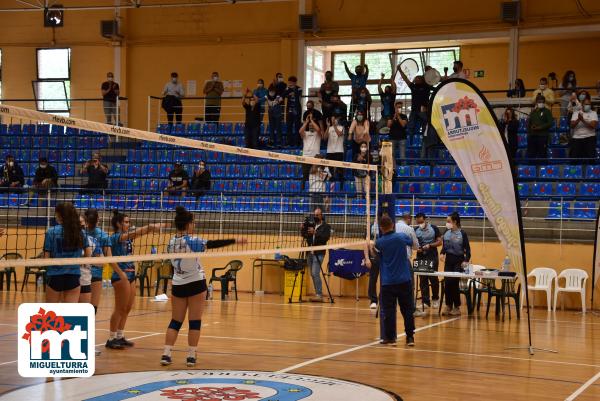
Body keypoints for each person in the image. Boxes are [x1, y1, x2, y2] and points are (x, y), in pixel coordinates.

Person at [161, 206, 244, 367]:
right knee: (195, 321)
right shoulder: (193, 241)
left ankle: (166, 354)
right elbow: (214, 244)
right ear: (188, 224)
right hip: (196, 283)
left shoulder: (170, 243)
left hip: (178, 283)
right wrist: (235, 240)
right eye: (193, 223)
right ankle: (191, 356)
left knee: (175, 321)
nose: (194, 225)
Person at [106, 211, 165, 350]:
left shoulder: (127, 238)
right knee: (119, 308)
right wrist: (150, 227)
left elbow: (135, 236)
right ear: (118, 224)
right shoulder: (116, 237)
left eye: (129, 222)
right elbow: (136, 234)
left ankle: (120, 336)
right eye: (126, 222)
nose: (128, 224)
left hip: (131, 274)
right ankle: (111, 338)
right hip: (121, 276)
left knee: (127, 308)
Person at [371, 214, 415, 346]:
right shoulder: (401, 237)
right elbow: (411, 242)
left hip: (388, 282)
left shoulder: (379, 242)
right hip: (404, 280)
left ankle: (390, 339)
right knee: (407, 310)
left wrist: (371, 249)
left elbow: (376, 256)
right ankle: (410, 338)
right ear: (393, 225)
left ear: (381, 228)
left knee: (389, 311)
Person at [43, 203, 92, 303]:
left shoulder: (51, 232)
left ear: (60, 215)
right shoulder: (79, 232)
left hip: (55, 275)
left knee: (52, 313)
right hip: (73, 274)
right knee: (69, 313)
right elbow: (88, 252)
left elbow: (46, 257)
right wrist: (81, 261)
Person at [83, 208, 115, 316]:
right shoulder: (104, 236)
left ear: (85, 219)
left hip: (81, 273)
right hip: (96, 274)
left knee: (79, 309)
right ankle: (88, 332)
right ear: (98, 219)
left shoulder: (80, 233)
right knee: (92, 309)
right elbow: (109, 258)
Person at [440, 212, 471, 316]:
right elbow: (444, 246)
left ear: (455, 222)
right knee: (447, 283)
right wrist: (442, 253)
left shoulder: (463, 233)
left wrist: (466, 260)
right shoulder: (446, 232)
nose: (447, 223)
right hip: (448, 260)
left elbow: (468, 249)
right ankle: (448, 305)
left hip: (458, 260)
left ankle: (456, 307)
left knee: (454, 283)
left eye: (448, 221)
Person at [413, 213, 442, 316]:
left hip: (432, 256)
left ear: (425, 220)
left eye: (421, 221)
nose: (420, 223)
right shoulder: (415, 230)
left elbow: (439, 242)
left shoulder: (434, 228)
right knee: (423, 279)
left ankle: (435, 299)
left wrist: (430, 245)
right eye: (418, 222)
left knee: (433, 278)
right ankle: (426, 301)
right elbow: (413, 244)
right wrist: (418, 249)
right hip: (421, 256)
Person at [300, 207, 331, 302]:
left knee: (315, 272)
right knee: (312, 274)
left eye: (317, 215)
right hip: (310, 253)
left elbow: (325, 238)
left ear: (321, 215)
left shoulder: (326, 226)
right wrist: (302, 229)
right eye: (315, 215)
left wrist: (315, 233)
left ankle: (319, 294)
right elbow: (305, 236)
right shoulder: (311, 225)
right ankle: (317, 293)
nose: (316, 216)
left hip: (319, 253)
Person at [398, 65, 432, 135]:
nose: (415, 80)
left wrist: (429, 71)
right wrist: (400, 70)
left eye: (417, 79)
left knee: (425, 125)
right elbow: (405, 79)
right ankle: (410, 139)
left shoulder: (426, 87)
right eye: (415, 79)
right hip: (414, 110)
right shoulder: (413, 87)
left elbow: (432, 78)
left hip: (423, 110)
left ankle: (424, 138)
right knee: (410, 125)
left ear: (421, 80)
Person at [299, 111, 322, 190]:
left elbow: (318, 129)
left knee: (314, 175)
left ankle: (313, 190)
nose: (311, 126)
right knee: (305, 176)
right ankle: (303, 192)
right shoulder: (305, 133)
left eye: (313, 125)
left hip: (315, 158)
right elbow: (300, 131)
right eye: (310, 126)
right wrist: (307, 122)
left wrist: (312, 120)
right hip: (305, 157)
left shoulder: (318, 134)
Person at [527, 95, 554, 160]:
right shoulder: (533, 112)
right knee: (531, 155)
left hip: (542, 136)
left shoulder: (547, 111)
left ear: (544, 102)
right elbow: (529, 122)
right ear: (536, 102)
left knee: (542, 155)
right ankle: (532, 169)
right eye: (539, 102)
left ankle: (542, 168)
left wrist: (540, 127)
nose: (540, 103)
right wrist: (531, 128)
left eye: (542, 102)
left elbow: (550, 123)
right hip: (532, 136)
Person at [323, 116, 345, 184]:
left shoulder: (342, 127)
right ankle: (331, 186)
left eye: (334, 119)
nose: (333, 120)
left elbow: (339, 134)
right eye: (332, 119)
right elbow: (324, 138)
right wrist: (327, 126)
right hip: (330, 151)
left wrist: (334, 126)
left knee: (340, 170)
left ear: (337, 119)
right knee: (330, 171)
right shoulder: (329, 128)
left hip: (339, 151)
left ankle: (341, 187)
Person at [78, 215, 93, 304]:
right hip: (70, 277)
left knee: (84, 312)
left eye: (82, 223)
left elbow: (100, 260)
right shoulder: (65, 236)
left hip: (85, 278)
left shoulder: (91, 240)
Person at [285, 76, 302, 148]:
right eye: (289, 82)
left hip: (297, 109)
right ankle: (289, 142)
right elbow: (285, 95)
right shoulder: (287, 88)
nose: (289, 83)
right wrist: (289, 92)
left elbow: (298, 94)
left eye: (291, 82)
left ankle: (297, 142)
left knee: (297, 126)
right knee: (289, 126)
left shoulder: (299, 88)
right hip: (289, 109)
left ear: (294, 82)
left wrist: (293, 90)